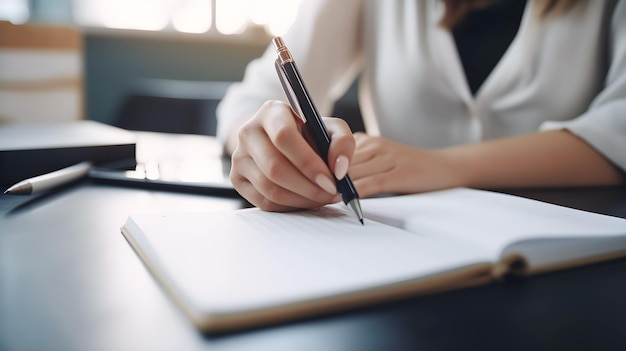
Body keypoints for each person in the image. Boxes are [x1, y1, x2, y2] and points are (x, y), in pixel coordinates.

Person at [216, 0, 625, 213]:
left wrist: (441, 166)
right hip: (402, 259)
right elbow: (250, 100)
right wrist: (266, 144)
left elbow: (617, 127)